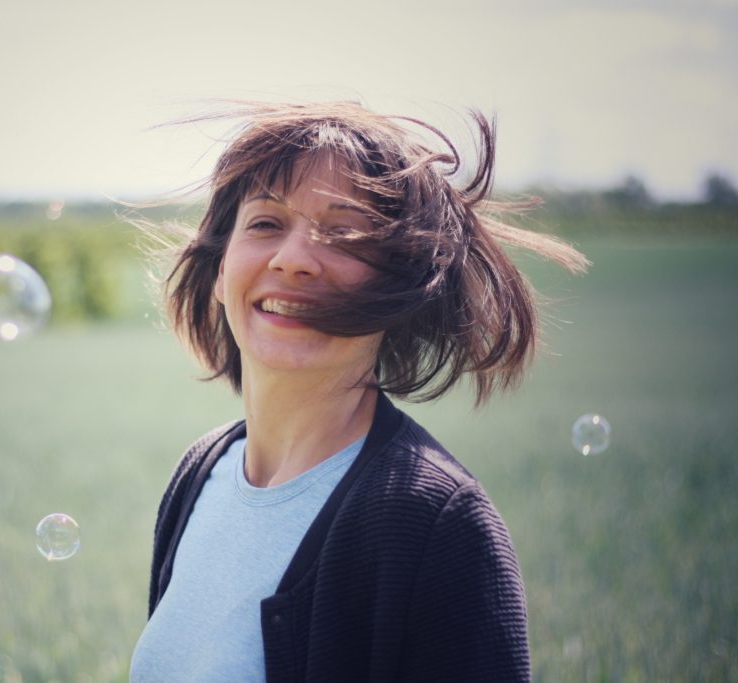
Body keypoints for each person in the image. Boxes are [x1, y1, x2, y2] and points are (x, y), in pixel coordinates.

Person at [129, 101, 589, 683]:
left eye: (344, 235)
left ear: (399, 284)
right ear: (220, 271)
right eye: (266, 223)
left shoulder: (436, 525)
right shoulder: (201, 474)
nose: (294, 259)